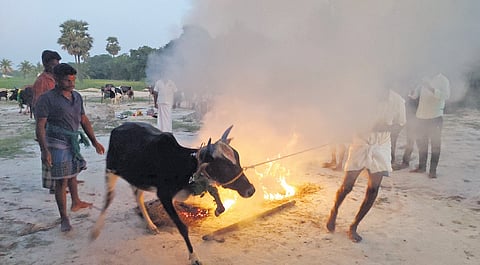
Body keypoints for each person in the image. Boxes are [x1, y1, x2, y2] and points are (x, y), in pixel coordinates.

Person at [326, 88, 406, 242]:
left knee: (373, 189)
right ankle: (334, 211)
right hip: (361, 143)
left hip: (381, 145)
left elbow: (400, 125)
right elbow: (349, 118)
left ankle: (354, 226)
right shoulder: (363, 95)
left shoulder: (397, 101)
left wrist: (382, 127)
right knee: (347, 186)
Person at [35, 63, 105, 232]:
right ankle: (64, 218)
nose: (71, 84)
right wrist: (45, 151)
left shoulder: (77, 97)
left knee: (72, 173)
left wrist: (94, 141)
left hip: (72, 141)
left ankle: (76, 202)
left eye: (73, 80)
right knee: (61, 181)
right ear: (56, 79)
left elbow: (83, 119)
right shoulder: (47, 99)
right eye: (67, 80)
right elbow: (40, 126)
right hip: (56, 142)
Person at [410, 73, 450, 178]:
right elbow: (414, 95)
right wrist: (412, 89)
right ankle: (422, 167)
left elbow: (446, 96)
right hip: (421, 116)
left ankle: (433, 171)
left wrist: (430, 88)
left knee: (435, 145)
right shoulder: (424, 77)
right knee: (422, 144)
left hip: (435, 117)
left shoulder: (443, 80)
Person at [32, 50, 61, 194]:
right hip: (47, 122)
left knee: (62, 153)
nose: (56, 66)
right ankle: (53, 186)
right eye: (53, 64)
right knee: (49, 153)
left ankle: (64, 180)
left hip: (60, 122)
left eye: (58, 64)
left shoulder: (56, 78)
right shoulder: (41, 81)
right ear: (45, 64)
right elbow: (37, 104)